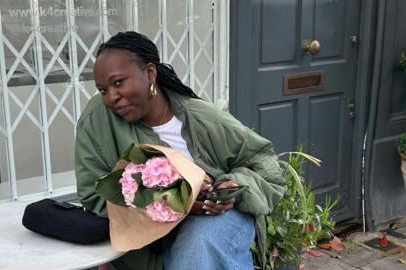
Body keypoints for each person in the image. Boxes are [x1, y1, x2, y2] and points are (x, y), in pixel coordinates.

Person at [75, 31, 285, 270]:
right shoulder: (97, 120)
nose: (111, 97)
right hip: (145, 239)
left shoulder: (202, 119)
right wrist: (173, 208)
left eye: (118, 82)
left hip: (215, 220)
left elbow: (265, 165)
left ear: (150, 73)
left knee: (198, 245)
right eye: (103, 90)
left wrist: (231, 187)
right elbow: (93, 193)